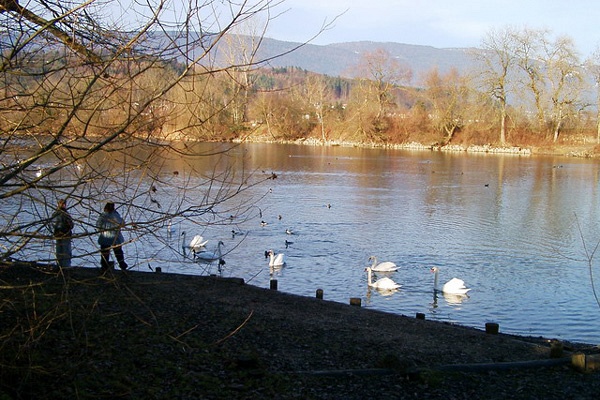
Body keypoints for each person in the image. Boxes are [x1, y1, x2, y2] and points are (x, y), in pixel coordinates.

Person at [96, 202, 128, 271]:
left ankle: (104, 266)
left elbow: (98, 225)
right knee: (118, 252)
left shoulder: (103, 215)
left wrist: (101, 230)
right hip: (115, 237)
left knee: (105, 252)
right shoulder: (115, 215)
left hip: (105, 237)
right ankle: (122, 265)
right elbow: (122, 223)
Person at [51, 199, 74, 268]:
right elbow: (71, 225)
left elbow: (53, 224)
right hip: (65, 235)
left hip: (58, 234)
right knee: (66, 251)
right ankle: (66, 266)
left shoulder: (55, 214)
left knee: (59, 251)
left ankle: (59, 265)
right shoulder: (66, 214)